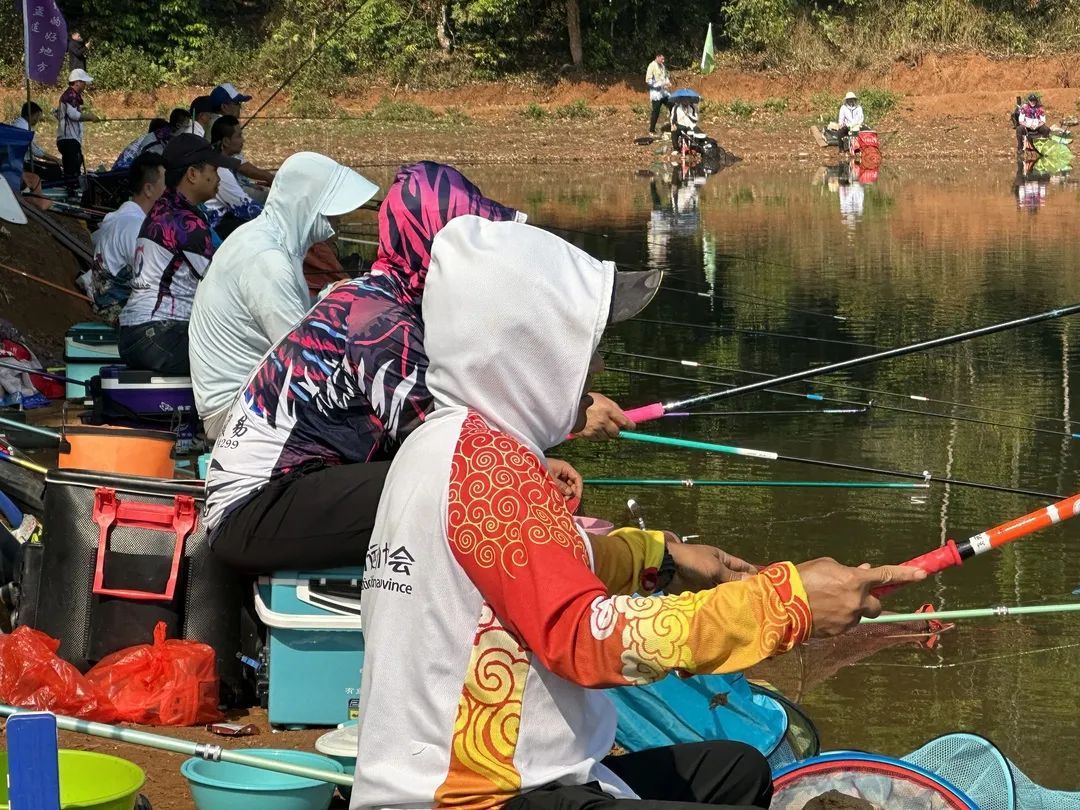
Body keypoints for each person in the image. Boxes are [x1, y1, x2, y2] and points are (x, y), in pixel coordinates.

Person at [348, 215, 928, 810]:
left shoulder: (445, 444)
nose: (596, 369)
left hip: (497, 780)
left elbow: (536, 565)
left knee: (737, 772)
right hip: (474, 799)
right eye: (585, 348)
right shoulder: (491, 469)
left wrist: (664, 558)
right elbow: (589, 641)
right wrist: (786, 604)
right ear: (529, 349)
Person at [202, 161, 634, 573]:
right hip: (257, 508)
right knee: (459, 482)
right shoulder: (379, 323)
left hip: (289, 493)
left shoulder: (385, 298)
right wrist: (565, 418)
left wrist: (534, 464)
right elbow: (452, 443)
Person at [190, 151, 378, 438]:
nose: (336, 219)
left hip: (257, 394)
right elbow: (304, 355)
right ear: (306, 204)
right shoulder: (267, 259)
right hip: (236, 412)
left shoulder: (266, 238)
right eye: (329, 210)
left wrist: (330, 297)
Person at [117, 134, 232, 375]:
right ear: (192, 174)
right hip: (160, 334)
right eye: (213, 169)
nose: (218, 177)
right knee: (242, 360)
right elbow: (222, 285)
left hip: (133, 332)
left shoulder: (164, 208)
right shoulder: (185, 221)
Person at [87, 153, 167, 325]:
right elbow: (155, 279)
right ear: (148, 189)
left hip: (110, 306)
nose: (169, 191)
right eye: (165, 184)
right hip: (119, 315)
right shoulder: (134, 226)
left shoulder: (123, 217)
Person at [202, 114, 264, 234]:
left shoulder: (221, 163)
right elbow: (247, 209)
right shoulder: (220, 171)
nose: (243, 140)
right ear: (225, 141)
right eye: (239, 136)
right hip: (218, 228)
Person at [56, 69, 102, 196]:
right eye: (83, 82)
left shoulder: (71, 96)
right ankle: (70, 194)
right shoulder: (69, 96)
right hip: (68, 138)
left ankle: (72, 191)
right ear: (76, 82)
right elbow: (74, 115)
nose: (85, 85)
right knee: (72, 170)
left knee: (76, 163)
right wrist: (90, 116)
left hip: (70, 138)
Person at [646, 53, 672, 135]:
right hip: (656, 93)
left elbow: (665, 77)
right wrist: (660, 84)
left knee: (672, 105)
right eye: (662, 59)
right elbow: (648, 80)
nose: (663, 61)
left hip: (663, 92)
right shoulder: (652, 65)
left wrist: (668, 83)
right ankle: (652, 130)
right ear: (657, 57)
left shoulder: (662, 66)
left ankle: (673, 124)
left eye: (664, 59)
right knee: (656, 111)